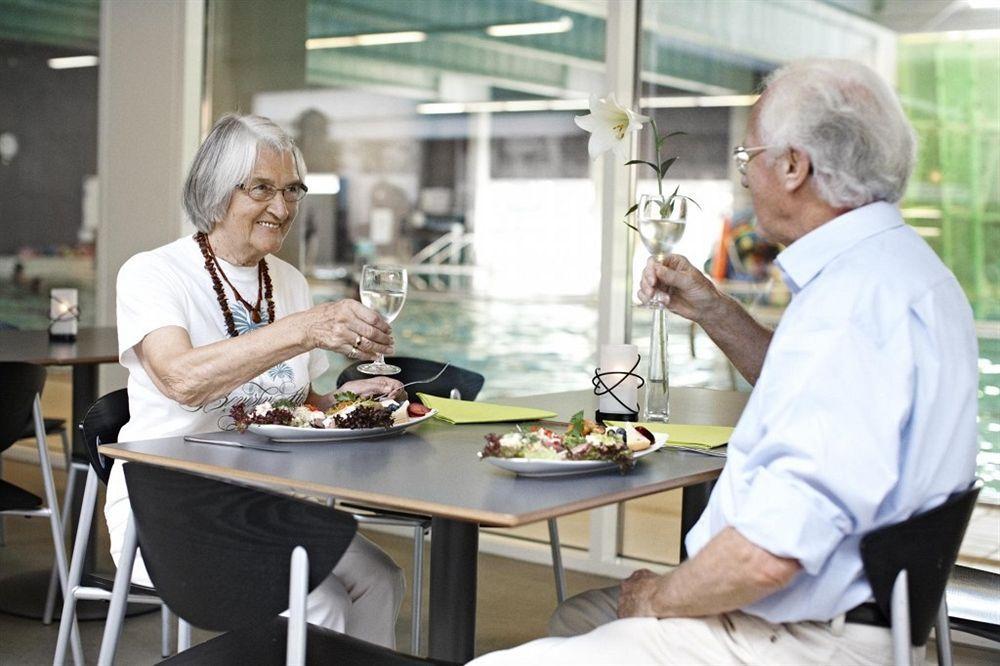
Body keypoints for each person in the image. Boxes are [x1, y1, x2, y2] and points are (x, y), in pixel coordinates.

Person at [472, 59, 978, 665]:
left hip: (792, 637)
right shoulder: (905, 274)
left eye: (748, 157)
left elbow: (767, 554)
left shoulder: (849, 307)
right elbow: (811, 392)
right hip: (864, 618)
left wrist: (660, 597)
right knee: (579, 616)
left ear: (794, 166)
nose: (744, 178)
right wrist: (715, 311)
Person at [107, 114, 406, 648]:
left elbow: (295, 402)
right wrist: (300, 330)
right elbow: (180, 380)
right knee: (327, 601)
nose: (283, 208)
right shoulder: (152, 273)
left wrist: (345, 402)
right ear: (216, 191)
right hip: (172, 509)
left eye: (292, 190)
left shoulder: (288, 281)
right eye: (263, 189)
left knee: (382, 578)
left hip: (265, 501)